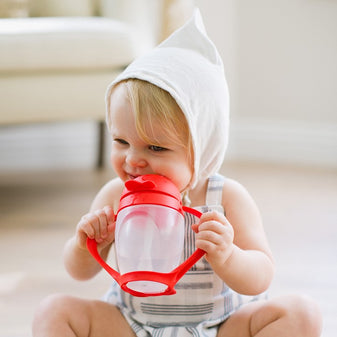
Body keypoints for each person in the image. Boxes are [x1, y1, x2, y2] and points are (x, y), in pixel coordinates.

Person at [32, 9, 322, 337]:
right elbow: (79, 272)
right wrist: (84, 245)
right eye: (121, 141)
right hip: (132, 325)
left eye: (155, 148)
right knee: (54, 312)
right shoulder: (115, 196)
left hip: (219, 326)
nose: (133, 160)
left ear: (203, 149)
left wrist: (228, 256)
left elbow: (262, 274)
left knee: (301, 313)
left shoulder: (225, 198)